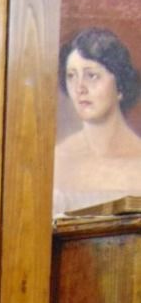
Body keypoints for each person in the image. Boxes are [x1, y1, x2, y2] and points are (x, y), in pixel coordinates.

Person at [53, 26, 141, 215]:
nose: (79, 88)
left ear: (120, 86)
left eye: (91, 76)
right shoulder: (58, 159)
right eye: (71, 76)